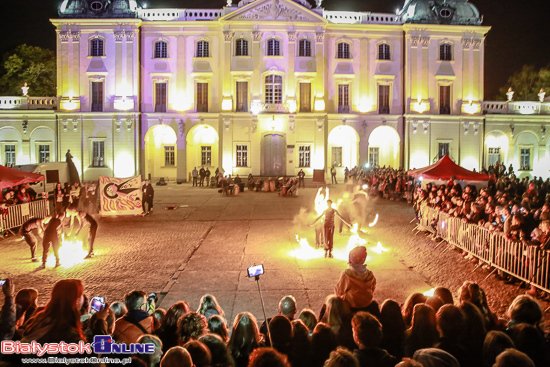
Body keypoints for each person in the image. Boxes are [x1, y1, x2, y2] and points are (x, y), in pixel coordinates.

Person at [334, 246, 378, 316]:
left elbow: (339, 291)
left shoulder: (347, 275)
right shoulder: (370, 274)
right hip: (367, 303)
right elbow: (373, 288)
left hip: (351, 305)